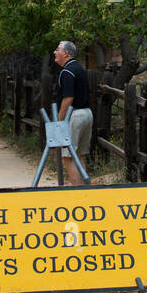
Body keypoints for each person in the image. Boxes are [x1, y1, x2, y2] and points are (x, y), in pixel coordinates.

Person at [54, 40, 92, 186]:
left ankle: (77, 191)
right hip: (87, 113)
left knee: (67, 157)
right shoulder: (79, 68)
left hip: (75, 116)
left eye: (57, 49)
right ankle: (85, 190)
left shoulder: (67, 72)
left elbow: (68, 98)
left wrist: (59, 120)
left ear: (65, 53)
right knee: (79, 155)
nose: (55, 52)